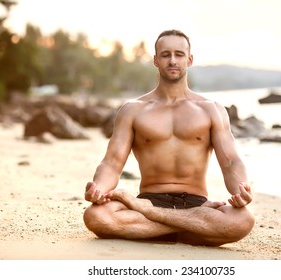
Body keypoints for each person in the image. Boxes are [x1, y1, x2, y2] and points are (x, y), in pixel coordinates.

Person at [83, 29, 254, 246]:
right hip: (153, 200)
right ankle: (188, 228)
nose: (172, 60)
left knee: (243, 219)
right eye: (165, 55)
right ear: (155, 60)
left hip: (193, 202)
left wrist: (242, 188)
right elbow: (112, 162)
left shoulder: (211, 109)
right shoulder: (133, 110)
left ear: (189, 59)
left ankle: (154, 228)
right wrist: (99, 188)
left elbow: (231, 161)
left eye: (179, 54)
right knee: (95, 216)